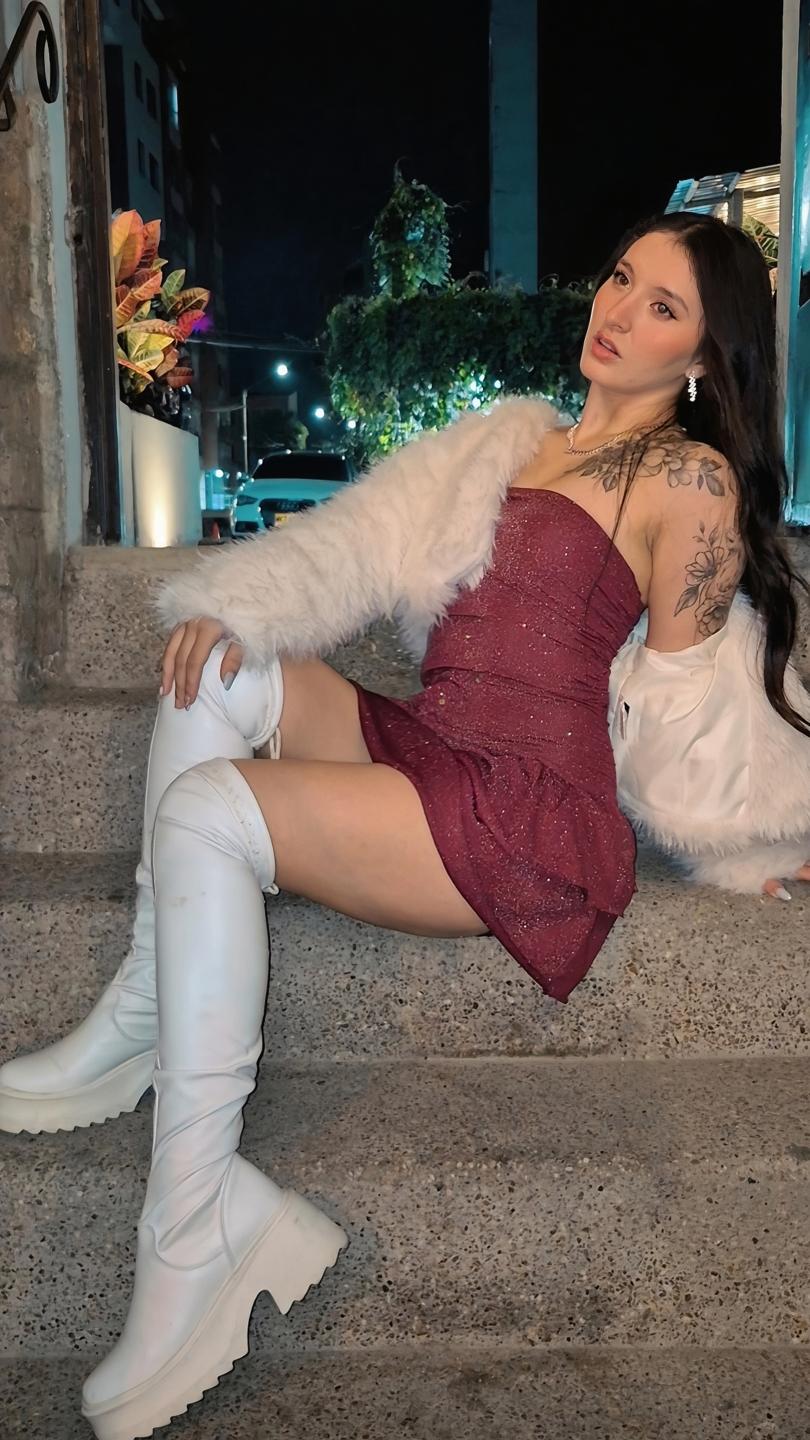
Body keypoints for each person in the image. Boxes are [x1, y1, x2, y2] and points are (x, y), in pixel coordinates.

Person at [2, 212, 809, 1439]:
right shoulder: (512, 437)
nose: (617, 311)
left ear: (704, 355)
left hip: (524, 814)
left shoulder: (686, 480)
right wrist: (241, 600)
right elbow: (361, 539)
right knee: (217, 669)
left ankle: (194, 1227)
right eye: (619, 278)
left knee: (209, 812)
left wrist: (756, 842)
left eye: (663, 307)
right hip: (432, 745)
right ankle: (144, 1011)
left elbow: (692, 699)